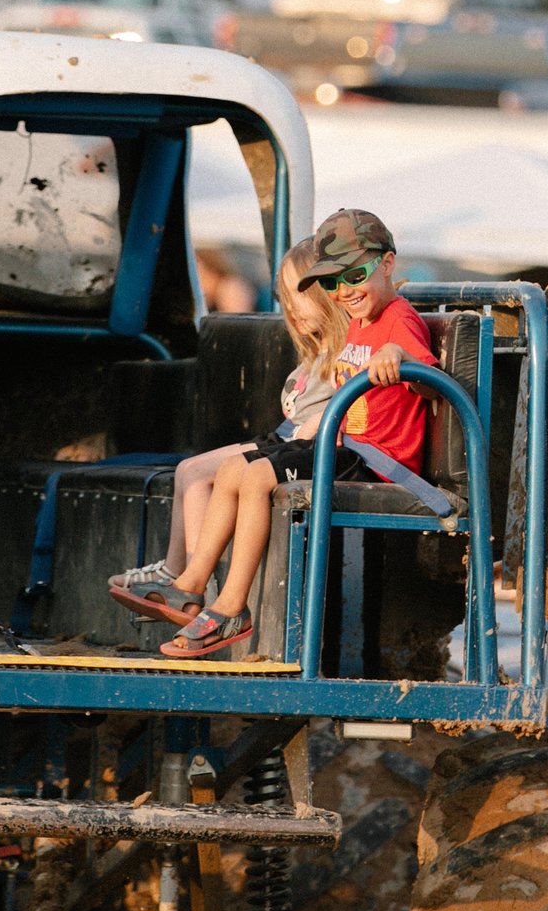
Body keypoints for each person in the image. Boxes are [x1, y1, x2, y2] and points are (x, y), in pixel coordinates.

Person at [155, 208, 436, 661]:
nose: (345, 291)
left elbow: (427, 377)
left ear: (387, 264)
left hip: (375, 460)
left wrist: (398, 355)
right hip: (344, 447)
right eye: (331, 282)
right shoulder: (360, 321)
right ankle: (190, 584)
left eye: (356, 274)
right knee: (231, 470)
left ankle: (231, 606)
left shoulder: (398, 321)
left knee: (257, 475)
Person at [108, 244, 342, 624]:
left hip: (300, 447)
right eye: (285, 298)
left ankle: (199, 588)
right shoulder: (314, 351)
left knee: (208, 475)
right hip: (282, 437)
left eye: (300, 295)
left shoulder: (345, 351)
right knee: (189, 470)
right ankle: (177, 573)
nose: (291, 310)